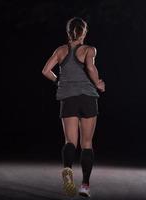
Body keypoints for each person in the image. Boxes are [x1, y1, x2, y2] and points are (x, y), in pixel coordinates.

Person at [42, 17, 105, 198]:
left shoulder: (61, 50)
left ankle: (68, 172)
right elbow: (91, 69)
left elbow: (46, 70)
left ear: (69, 32)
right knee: (87, 143)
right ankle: (85, 185)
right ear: (84, 32)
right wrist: (98, 83)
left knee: (70, 142)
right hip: (87, 98)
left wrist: (59, 81)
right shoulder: (89, 50)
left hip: (67, 98)